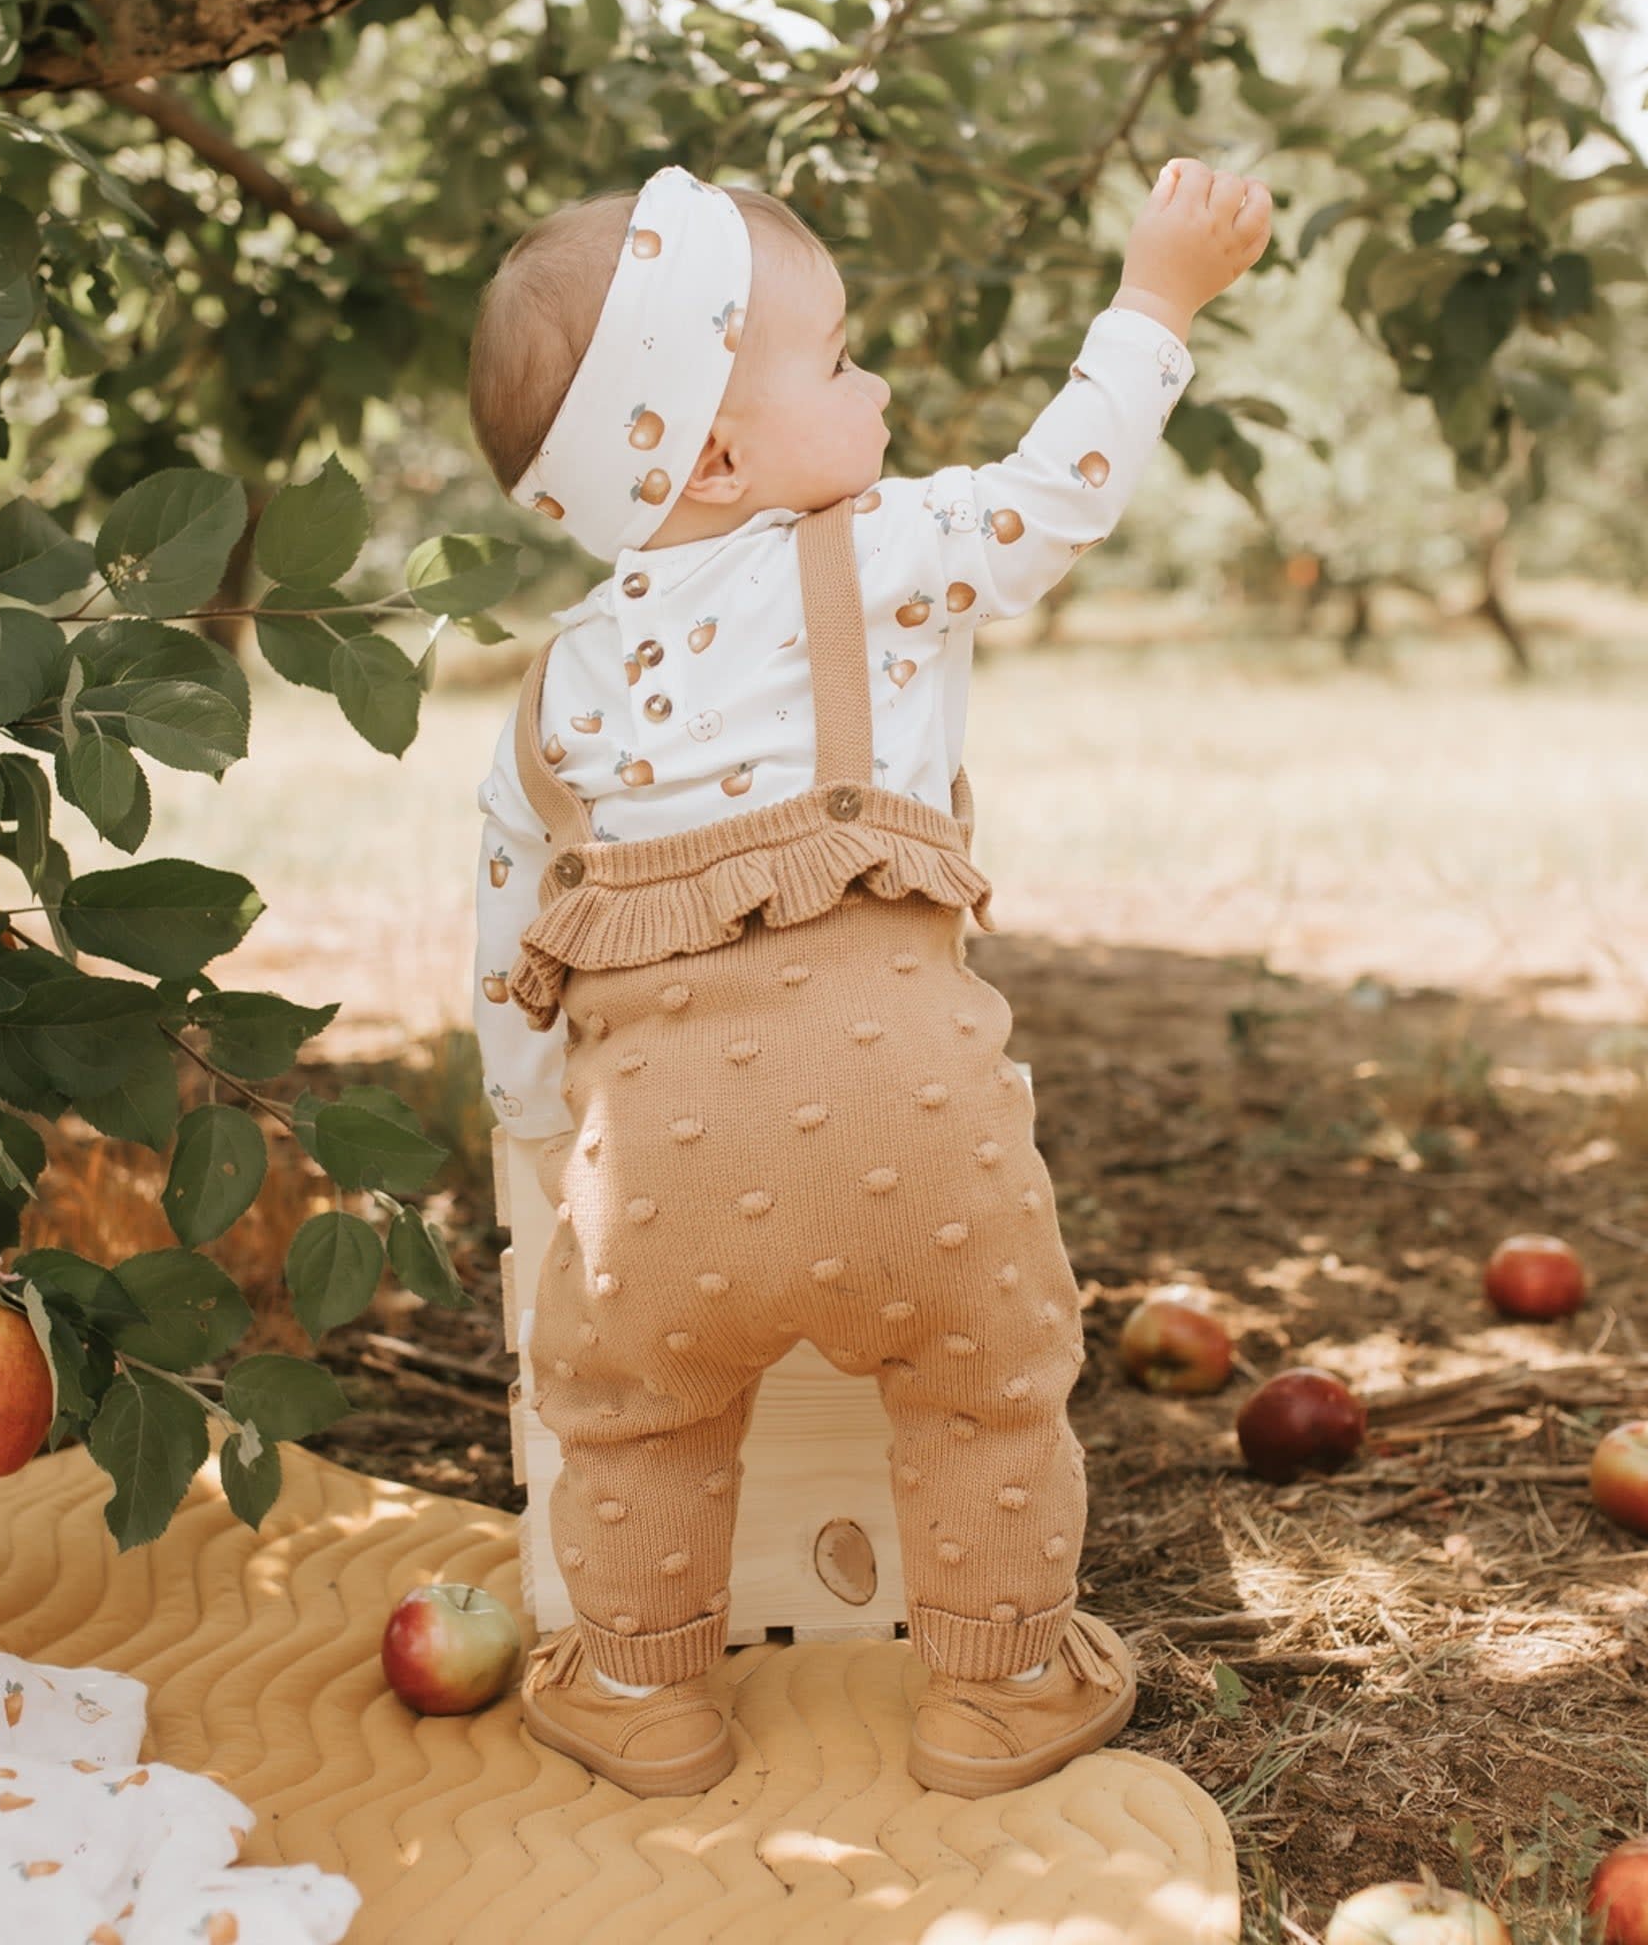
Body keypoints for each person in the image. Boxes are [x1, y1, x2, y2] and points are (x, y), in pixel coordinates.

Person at [465, 159, 1271, 1799]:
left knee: (633, 1418)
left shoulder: (548, 699)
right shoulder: (882, 554)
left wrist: (536, 1127)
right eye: (835, 362)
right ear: (714, 454)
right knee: (988, 1385)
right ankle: (999, 1689)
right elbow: (1057, 495)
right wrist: (1158, 304)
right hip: (920, 1143)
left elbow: (509, 939)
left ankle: (640, 1691)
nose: (878, 381)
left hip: (656, 1190)